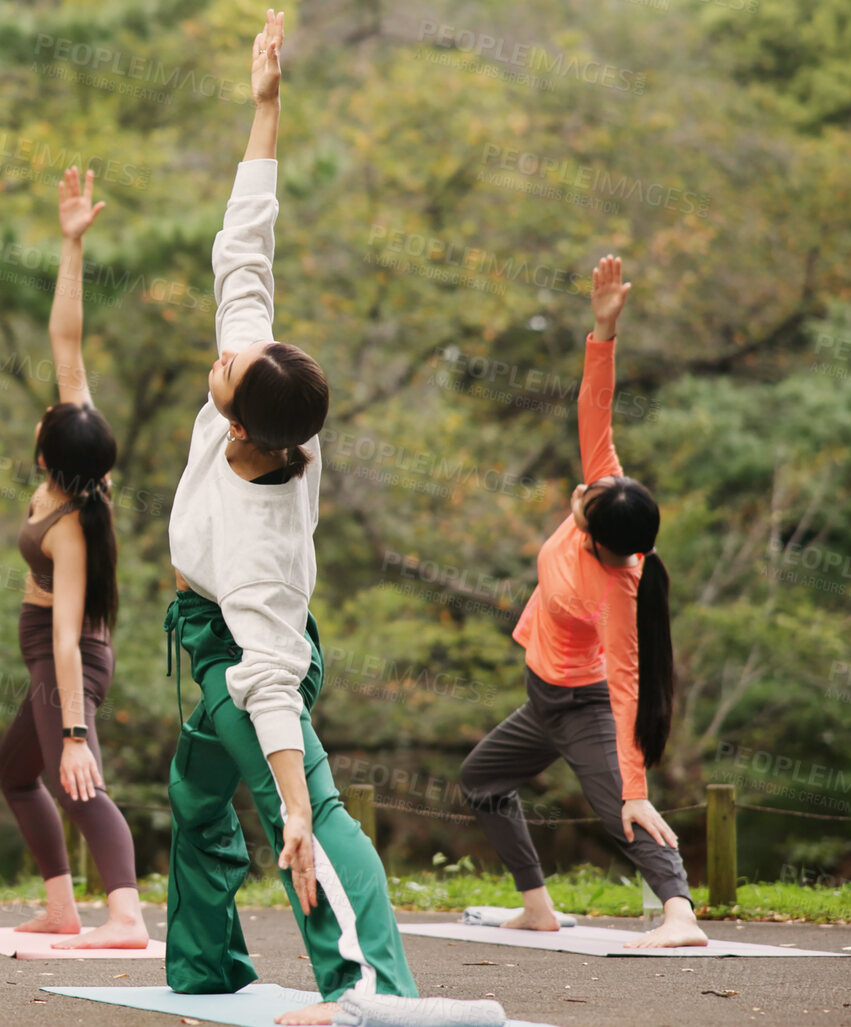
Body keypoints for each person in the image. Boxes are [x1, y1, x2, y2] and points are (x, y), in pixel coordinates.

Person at [162, 15, 505, 1027]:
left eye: (228, 363)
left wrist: (299, 802)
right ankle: (206, 966)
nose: (220, 352)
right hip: (210, 636)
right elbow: (246, 254)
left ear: (247, 418)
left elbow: (267, 676)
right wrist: (266, 106)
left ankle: (366, 992)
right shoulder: (257, 409)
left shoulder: (264, 538)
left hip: (246, 649)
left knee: (304, 810)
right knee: (191, 790)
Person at [457, 255, 708, 950]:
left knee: (618, 811)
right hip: (541, 696)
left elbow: (626, 688)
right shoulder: (609, 487)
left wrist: (634, 783)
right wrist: (602, 332)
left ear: (600, 542)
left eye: (584, 506)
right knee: (479, 781)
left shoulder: (616, 589)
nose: (578, 494)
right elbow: (592, 409)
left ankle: (679, 915)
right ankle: (536, 905)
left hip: (582, 703)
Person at [0, 166, 148, 949]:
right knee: (14, 771)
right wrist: (71, 243)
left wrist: (78, 730)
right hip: (46, 649)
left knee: (73, 779)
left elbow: (64, 636)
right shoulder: (82, 461)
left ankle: (124, 915)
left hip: (68, 659)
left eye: (50, 414)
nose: (53, 405)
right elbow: (66, 337)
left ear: (46, 453)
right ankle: (62, 905)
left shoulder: (69, 524)